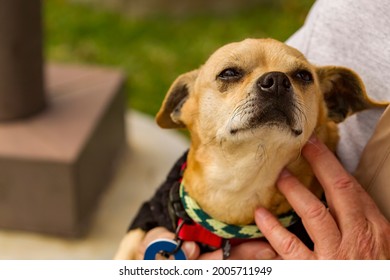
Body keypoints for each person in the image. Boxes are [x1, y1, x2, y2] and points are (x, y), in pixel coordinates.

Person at [136, 0, 390, 259]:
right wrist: (150, 222)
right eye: (231, 74)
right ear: (187, 107)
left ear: (328, 105)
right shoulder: (352, 8)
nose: (277, 82)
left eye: (300, 77)